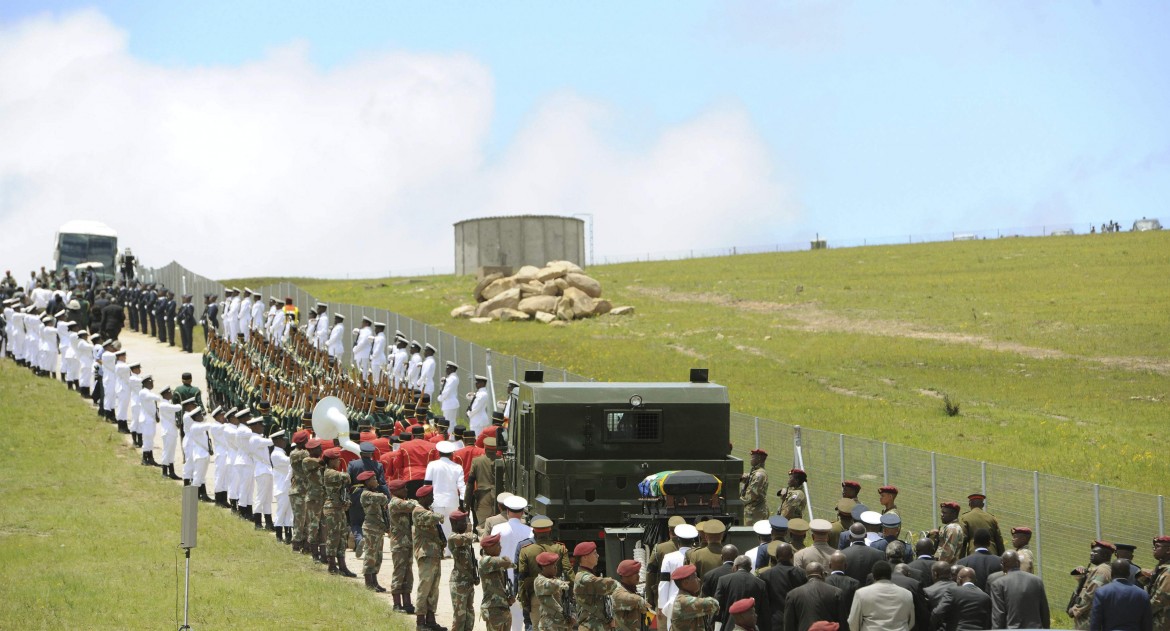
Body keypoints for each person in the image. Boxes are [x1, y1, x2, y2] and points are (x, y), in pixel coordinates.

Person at [990, 550, 1049, 629]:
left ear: (1002, 565)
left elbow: (999, 616)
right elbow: (1044, 612)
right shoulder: (1037, 581)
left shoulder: (998, 584)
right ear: (1018, 563)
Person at [848, 561, 914, 631]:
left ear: (873, 576)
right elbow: (911, 621)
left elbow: (853, 622)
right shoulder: (907, 594)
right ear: (890, 575)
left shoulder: (861, 594)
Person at [321, 447, 356, 577]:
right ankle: (331, 565)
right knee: (333, 536)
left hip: (339, 508)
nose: (338, 462)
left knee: (342, 537)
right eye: (336, 460)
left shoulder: (334, 471)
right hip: (332, 508)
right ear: (330, 461)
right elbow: (347, 477)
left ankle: (342, 566)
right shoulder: (329, 472)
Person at [424, 441, 467, 546]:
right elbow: (462, 487)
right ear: (452, 454)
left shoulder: (432, 465)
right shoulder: (457, 467)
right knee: (451, 527)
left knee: (438, 526)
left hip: (436, 501)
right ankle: (450, 549)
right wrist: (462, 504)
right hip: (453, 501)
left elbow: (427, 485)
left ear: (438, 453)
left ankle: (442, 549)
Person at [1090, 559, 1151, 631]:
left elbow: (1095, 622)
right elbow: (1147, 624)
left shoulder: (1101, 592)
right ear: (1128, 574)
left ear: (1111, 573)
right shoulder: (1143, 594)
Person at [659, 523, 700, 629]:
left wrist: (661, 606)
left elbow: (664, 582)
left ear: (678, 541)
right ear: (693, 541)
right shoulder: (698, 555)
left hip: (674, 603)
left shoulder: (668, 558)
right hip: (695, 602)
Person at [714, 555, 770, 631]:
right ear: (750, 568)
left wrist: (714, 625)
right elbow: (765, 612)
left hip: (729, 627)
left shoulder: (723, 580)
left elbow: (717, 606)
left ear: (735, 567)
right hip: (752, 627)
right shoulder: (760, 583)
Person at [572, 541, 619, 630]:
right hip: (590, 627)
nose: (597, 556)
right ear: (585, 557)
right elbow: (606, 585)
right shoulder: (583, 578)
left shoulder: (588, 575)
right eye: (594, 553)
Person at [388, 479, 419, 613]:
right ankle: (396, 604)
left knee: (408, 573)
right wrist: (417, 502)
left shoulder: (401, 501)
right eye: (403, 488)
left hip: (406, 543)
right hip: (399, 544)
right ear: (395, 491)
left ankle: (407, 603)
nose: (406, 490)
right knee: (399, 572)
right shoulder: (395, 502)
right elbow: (413, 505)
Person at [355, 470, 389, 592]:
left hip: (378, 528)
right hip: (370, 528)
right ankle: (368, 582)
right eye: (374, 479)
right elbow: (383, 498)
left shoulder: (373, 493)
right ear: (368, 481)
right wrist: (384, 496)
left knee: (377, 556)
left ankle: (374, 581)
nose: (377, 482)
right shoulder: (366, 494)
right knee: (370, 556)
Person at [1070, 541, 1115, 630]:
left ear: (1105, 555)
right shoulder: (1105, 568)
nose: (1091, 553)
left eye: (1095, 552)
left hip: (1090, 619)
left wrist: (1076, 609)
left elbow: (1091, 594)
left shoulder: (1101, 571)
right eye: (1092, 551)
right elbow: (1074, 572)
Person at [785, 562, 843, 631]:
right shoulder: (836, 592)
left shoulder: (792, 595)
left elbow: (789, 625)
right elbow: (842, 623)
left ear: (806, 576)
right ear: (822, 574)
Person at [931, 567, 991, 631]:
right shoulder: (985, 596)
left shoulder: (953, 591)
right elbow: (988, 621)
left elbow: (938, 612)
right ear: (975, 580)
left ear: (959, 579)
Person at [479, 532, 516, 631]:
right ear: (488, 548)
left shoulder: (496, 563)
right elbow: (507, 562)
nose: (501, 547)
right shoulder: (486, 561)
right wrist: (505, 560)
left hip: (502, 606)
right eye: (498, 545)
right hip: (493, 608)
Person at [670, 564, 720, 631]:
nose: (699, 580)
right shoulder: (683, 601)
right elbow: (714, 604)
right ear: (685, 583)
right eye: (695, 577)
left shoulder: (686, 597)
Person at [534, 550, 574, 630]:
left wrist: (572, 615)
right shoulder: (539, 581)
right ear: (543, 567)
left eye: (556, 565)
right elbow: (549, 584)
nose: (556, 567)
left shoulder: (555, 579)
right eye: (553, 565)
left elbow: (565, 602)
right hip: (549, 625)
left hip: (563, 624)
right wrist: (560, 583)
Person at [611, 559, 651, 631]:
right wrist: (642, 601)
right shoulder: (618, 592)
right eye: (635, 574)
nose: (638, 576)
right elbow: (627, 598)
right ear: (625, 576)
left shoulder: (631, 590)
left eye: (638, 573)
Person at [270, 430, 293, 544]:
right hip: (282, 487)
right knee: (281, 512)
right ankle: (279, 537)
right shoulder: (277, 454)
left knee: (288, 513)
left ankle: (288, 536)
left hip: (285, 487)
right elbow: (290, 462)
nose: (285, 441)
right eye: (283, 439)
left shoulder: (281, 452)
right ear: (277, 441)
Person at [826, 552, 859, 631]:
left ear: (830, 565)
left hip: (828, 625)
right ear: (846, 566)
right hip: (847, 625)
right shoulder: (854, 583)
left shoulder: (823, 581)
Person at [1148, 535, 1170, 631]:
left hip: (1162, 623)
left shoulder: (1168, 572)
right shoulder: (1161, 568)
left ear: (1168, 550)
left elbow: (1160, 599)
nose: (1154, 549)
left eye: (1157, 546)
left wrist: (1143, 612)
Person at [742, 448, 770, 523]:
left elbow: (752, 494)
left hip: (755, 513)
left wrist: (739, 501)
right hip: (753, 511)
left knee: (752, 534)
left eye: (753, 457)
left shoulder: (759, 474)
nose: (751, 459)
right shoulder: (756, 472)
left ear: (759, 459)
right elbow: (749, 478)